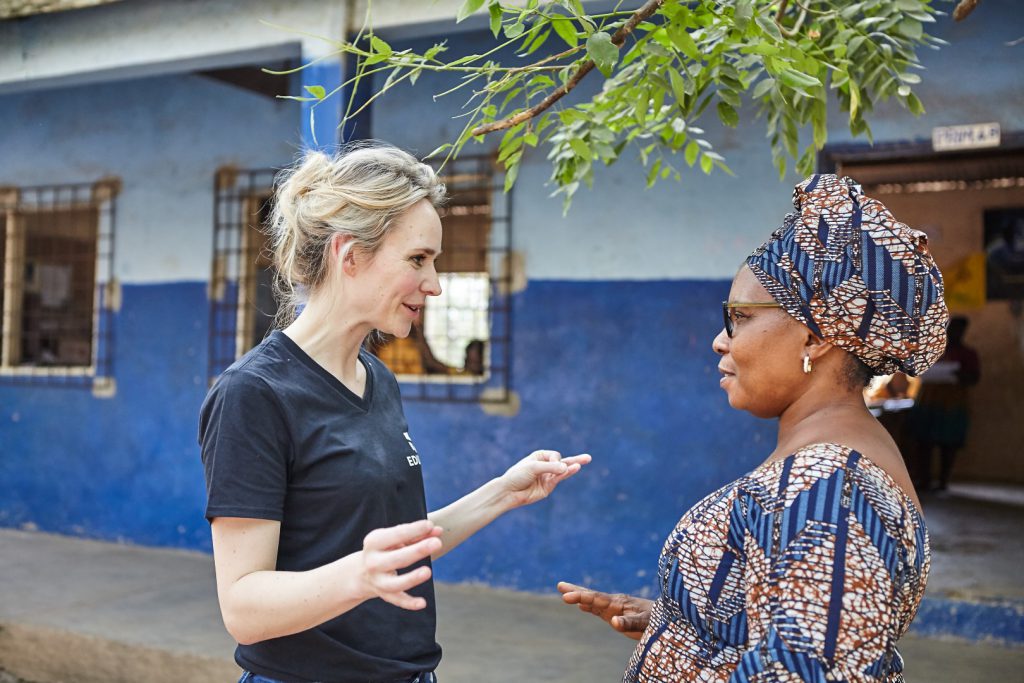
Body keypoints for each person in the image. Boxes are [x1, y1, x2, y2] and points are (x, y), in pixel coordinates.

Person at [199, 142, 590, 683]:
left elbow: (396, 547)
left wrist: (504, 491)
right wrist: (360, 575)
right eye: (418, 259)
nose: (433, 283)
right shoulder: (254, 393)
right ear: (349, 255)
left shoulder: (377, 379)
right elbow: (243, 608)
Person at [558, 174, 947, 682]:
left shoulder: (828, 487)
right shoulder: (832, 466)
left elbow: (812, 671)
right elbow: (812, 633)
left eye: (739, 317)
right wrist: (686, 625)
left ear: (814, 337)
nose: (721, 341)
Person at [908, 316, 980, 491]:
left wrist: (958, 374)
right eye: (950, 328)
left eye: (958, 329)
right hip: (927, 401)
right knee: (923, 442)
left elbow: (975, 378)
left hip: (953, 404)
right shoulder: (932, 350)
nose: (952, 332)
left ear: (963, 332)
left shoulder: (968, 354)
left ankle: (942, 483)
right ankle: (923, 480)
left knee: (948, 444)